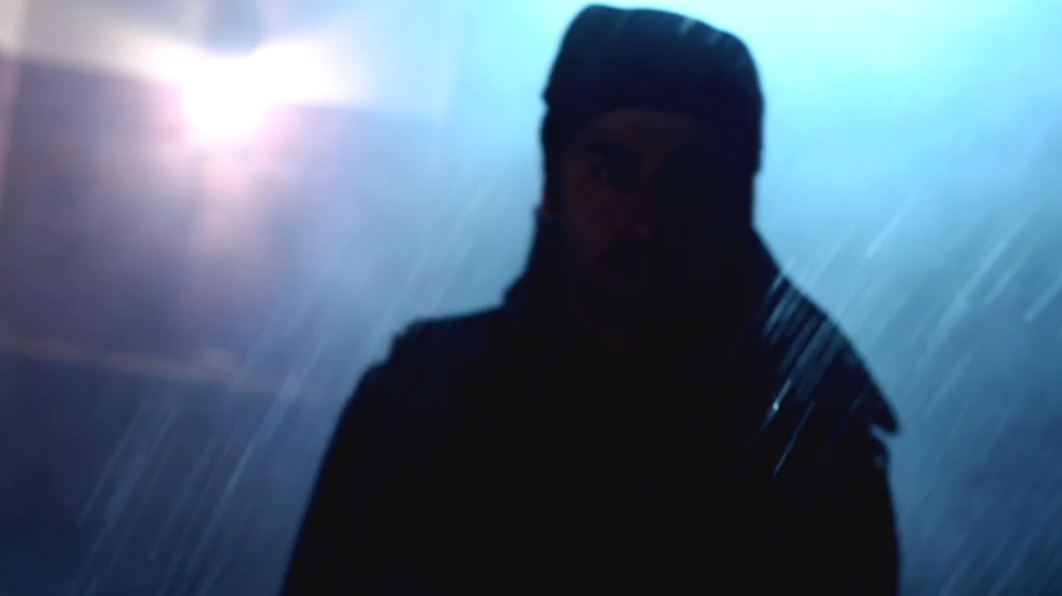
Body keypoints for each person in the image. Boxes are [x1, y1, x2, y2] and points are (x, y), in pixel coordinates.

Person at [282, 5, 901, 594]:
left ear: (734, 209)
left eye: (686, 184)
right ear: (553, 187)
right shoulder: (419, 396)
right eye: (612, 173)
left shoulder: (811, 445)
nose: (644, 221)